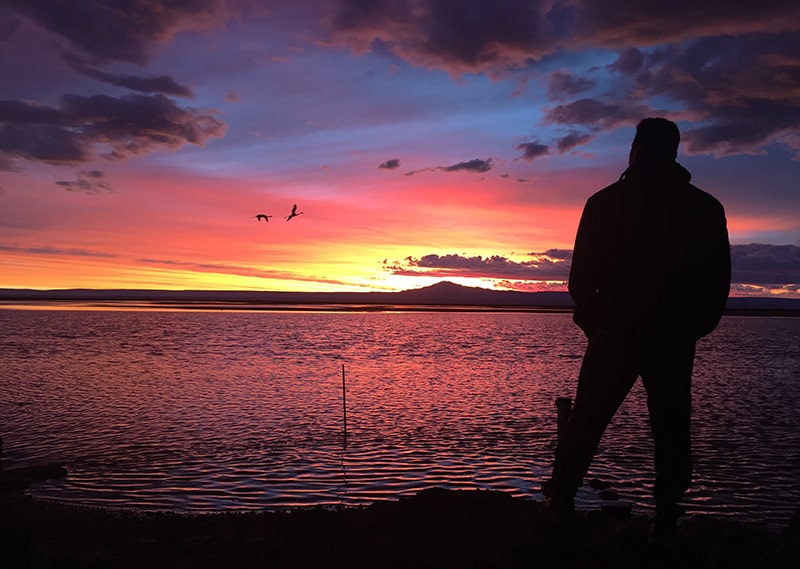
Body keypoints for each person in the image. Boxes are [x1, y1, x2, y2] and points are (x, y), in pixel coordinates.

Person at [543, 118, 731, 535]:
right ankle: (665, 510)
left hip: (627, 334)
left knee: (594, 418)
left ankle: (565, 498)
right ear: (675, 152)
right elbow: (717, 282)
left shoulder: (607, 202)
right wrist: (694, 327)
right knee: (667, 423)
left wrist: (597, 320)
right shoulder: (702, 206)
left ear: (635, 149)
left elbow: (580, 278)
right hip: (657, 336)